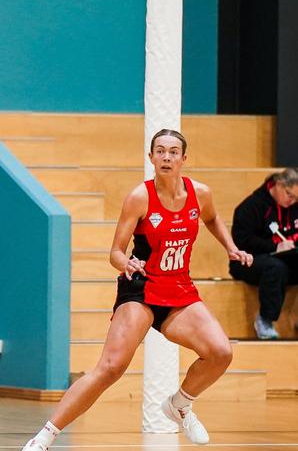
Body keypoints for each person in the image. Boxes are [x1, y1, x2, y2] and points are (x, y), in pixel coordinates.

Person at [21, 129, 253, 449]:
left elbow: (211, 219)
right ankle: (44, 436)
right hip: (142, 288)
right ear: (151, 157)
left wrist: (230, 247)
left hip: (179, 288)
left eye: (173, 152)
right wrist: (125, 264)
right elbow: (116, 251)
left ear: (184, 159)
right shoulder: (140, 197)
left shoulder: (201, 194)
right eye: (160, 151)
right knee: (111, 368)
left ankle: (180, 404)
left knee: (220, 353)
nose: (167, 157)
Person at [229, 168, 298, 339]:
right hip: (248, 261)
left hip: (286, 260)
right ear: (279, 185)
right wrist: (274, 248)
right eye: (290, 195)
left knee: (281, 265)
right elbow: (242, 241)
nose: (293, 201)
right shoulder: (251, 206)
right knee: (276, 267)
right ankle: (265, 320)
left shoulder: (294, 205)